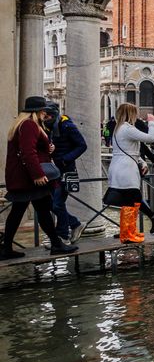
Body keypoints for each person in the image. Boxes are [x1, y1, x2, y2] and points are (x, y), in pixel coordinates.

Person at [2, 97, 79, 258]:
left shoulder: (23, 124)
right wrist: (37, 174)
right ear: (36, 111)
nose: (46, 113)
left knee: (32, 210)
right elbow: (28, 152)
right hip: (30, 179)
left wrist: (48, 148)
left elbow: (31, 149)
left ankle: (7, 248)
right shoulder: (29, 125)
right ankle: (56, 244)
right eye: (43, 110)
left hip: (24, 178)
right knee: (37, 211)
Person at [107, 103, 154, 243]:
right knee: (132, 199)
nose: (137, 116)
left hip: (121, 166)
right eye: (135, 113)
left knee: (131, 200)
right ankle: (127, 234)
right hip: (126, 169)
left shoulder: (119, 129)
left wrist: (142, 163)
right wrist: (152, 123)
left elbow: (132, 150)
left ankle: (129, 231)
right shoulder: (126, 128)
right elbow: (150, 138)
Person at [42, 101, 86, 244]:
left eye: (47, 116)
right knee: (52, 204)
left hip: (66, 171)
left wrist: (64, 160)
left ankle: (62, 237)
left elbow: (82, 145)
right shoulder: (47, 128)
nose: (45, 119)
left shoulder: (68, 126)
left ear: (54, 115)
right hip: (52, 172)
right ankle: (74, 224)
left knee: (57, 204)